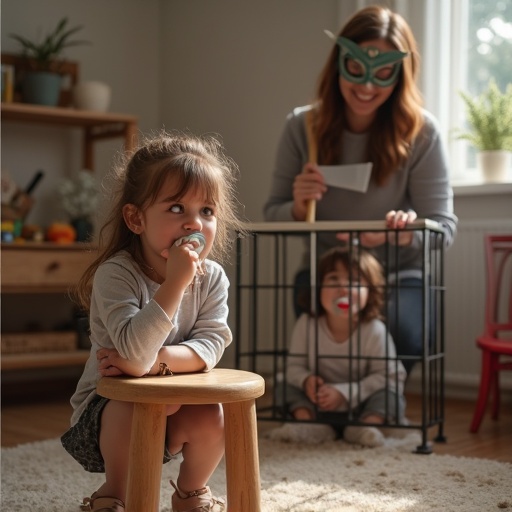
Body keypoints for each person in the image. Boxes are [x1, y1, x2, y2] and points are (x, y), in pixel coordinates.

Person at [263, 5, 458, 374]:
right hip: (327, 274)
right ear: (339, 61)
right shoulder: (302, 127)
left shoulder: (422, 132)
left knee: (406, 331)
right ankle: (335, 404)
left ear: (400, 75)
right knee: (320, 339)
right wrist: (299, 206)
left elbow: (443, 228)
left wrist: (402, 235)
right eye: (356, 70)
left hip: (399, 275)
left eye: (383, 74)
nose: (367, 87)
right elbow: (272, 212)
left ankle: (376, 404)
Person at [61, 132, 245, 512]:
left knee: (212, 411)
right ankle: (115, 491)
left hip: (176, 398)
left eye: (207, 211)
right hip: (106, 411)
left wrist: (155, 362)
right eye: (177, 208)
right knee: (128, 409)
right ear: (136, 218)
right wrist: (176, 282)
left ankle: (192, 491)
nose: (194, 224)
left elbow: (211, 346)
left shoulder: (213, 278)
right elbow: (132, 352)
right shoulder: (117, 274)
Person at [284, 246, 407, 447]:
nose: (343, 288)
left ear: (371, 292)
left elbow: (391, 377)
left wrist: (345, 392)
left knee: (391, 396)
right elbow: (294, 367)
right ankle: (309, 424)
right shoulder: (307, 323)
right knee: (283, 386)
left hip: (361, 404)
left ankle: (366, 427)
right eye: (333, 278)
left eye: (355, 281)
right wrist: (306, 381)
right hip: (317, 403)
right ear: (318, 286)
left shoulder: (374, 329)